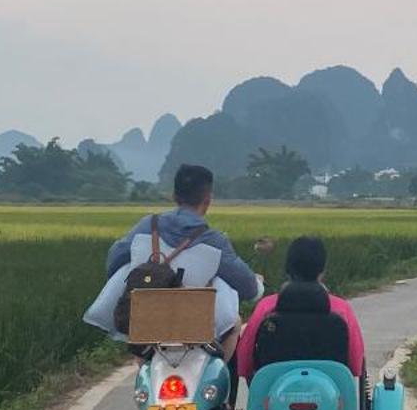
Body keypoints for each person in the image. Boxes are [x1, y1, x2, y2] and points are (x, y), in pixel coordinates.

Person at [88, 163, 264, 348]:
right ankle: (225, 376)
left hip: (148, 318)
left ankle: (143, 373)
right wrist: (257, 285)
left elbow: (115, 261)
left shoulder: (147, 226)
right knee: (234, 324)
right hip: (195, 325)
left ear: (174, 196)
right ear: (208, 199)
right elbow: (247, 286)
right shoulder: (213, 240)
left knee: (140, 337)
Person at [236, 235, 366, 382]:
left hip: (272, 396)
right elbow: (356, 366)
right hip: (331, 397)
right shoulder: (341, 309)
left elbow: (244, 363)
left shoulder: (266, 307)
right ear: (322, 270)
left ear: (288, 269)